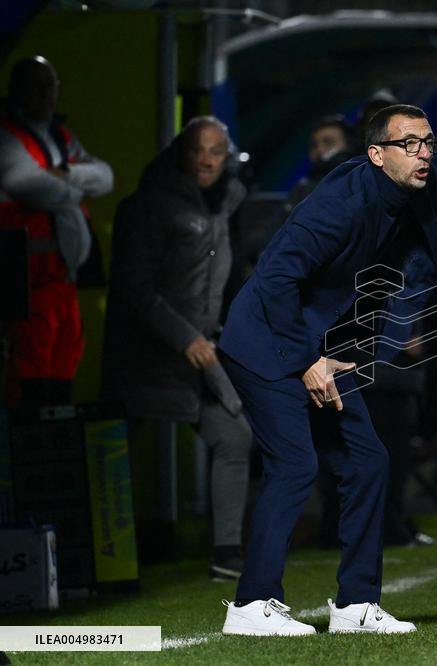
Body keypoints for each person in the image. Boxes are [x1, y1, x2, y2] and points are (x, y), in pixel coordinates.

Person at [217, 100, 437, 636]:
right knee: (294, 465)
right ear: (377, 155)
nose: (424, 153)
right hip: (265, 342)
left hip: (311, 342)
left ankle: (356, 606)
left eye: (428, 141)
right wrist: (308, 358)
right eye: (410, 144)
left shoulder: (413, 180)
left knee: (368, 460)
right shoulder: (338, 204)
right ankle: (251, 605)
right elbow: (274, 282)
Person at [102, 116, 253, 580]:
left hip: (199, 351)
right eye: (199, 149)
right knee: (113, 449)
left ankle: (226, 552)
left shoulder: (225, 205)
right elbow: (134, 289)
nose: (208, 159)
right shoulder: (149, 204)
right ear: (180, 152)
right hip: (148, 350)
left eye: (217, 151)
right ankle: (101, 557)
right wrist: (184, 335)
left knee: (234, 435)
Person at [0, 56, 113, 408]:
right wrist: (77, 185)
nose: (49, 95)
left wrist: (67, 176)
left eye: (53, 86)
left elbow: (105, 176)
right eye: (40, 86)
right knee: (30, 376)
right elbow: (28, 185)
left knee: (63, 370)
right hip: (27, 285)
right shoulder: (6, 135)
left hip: (65, 281)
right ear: (17, 88)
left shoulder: (59, 135)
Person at [285, 114, 357, 211]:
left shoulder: (364, 180)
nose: (320, 150)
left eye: (328, 142)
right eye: (314, 146)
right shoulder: (300, 191)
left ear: (349, 145)